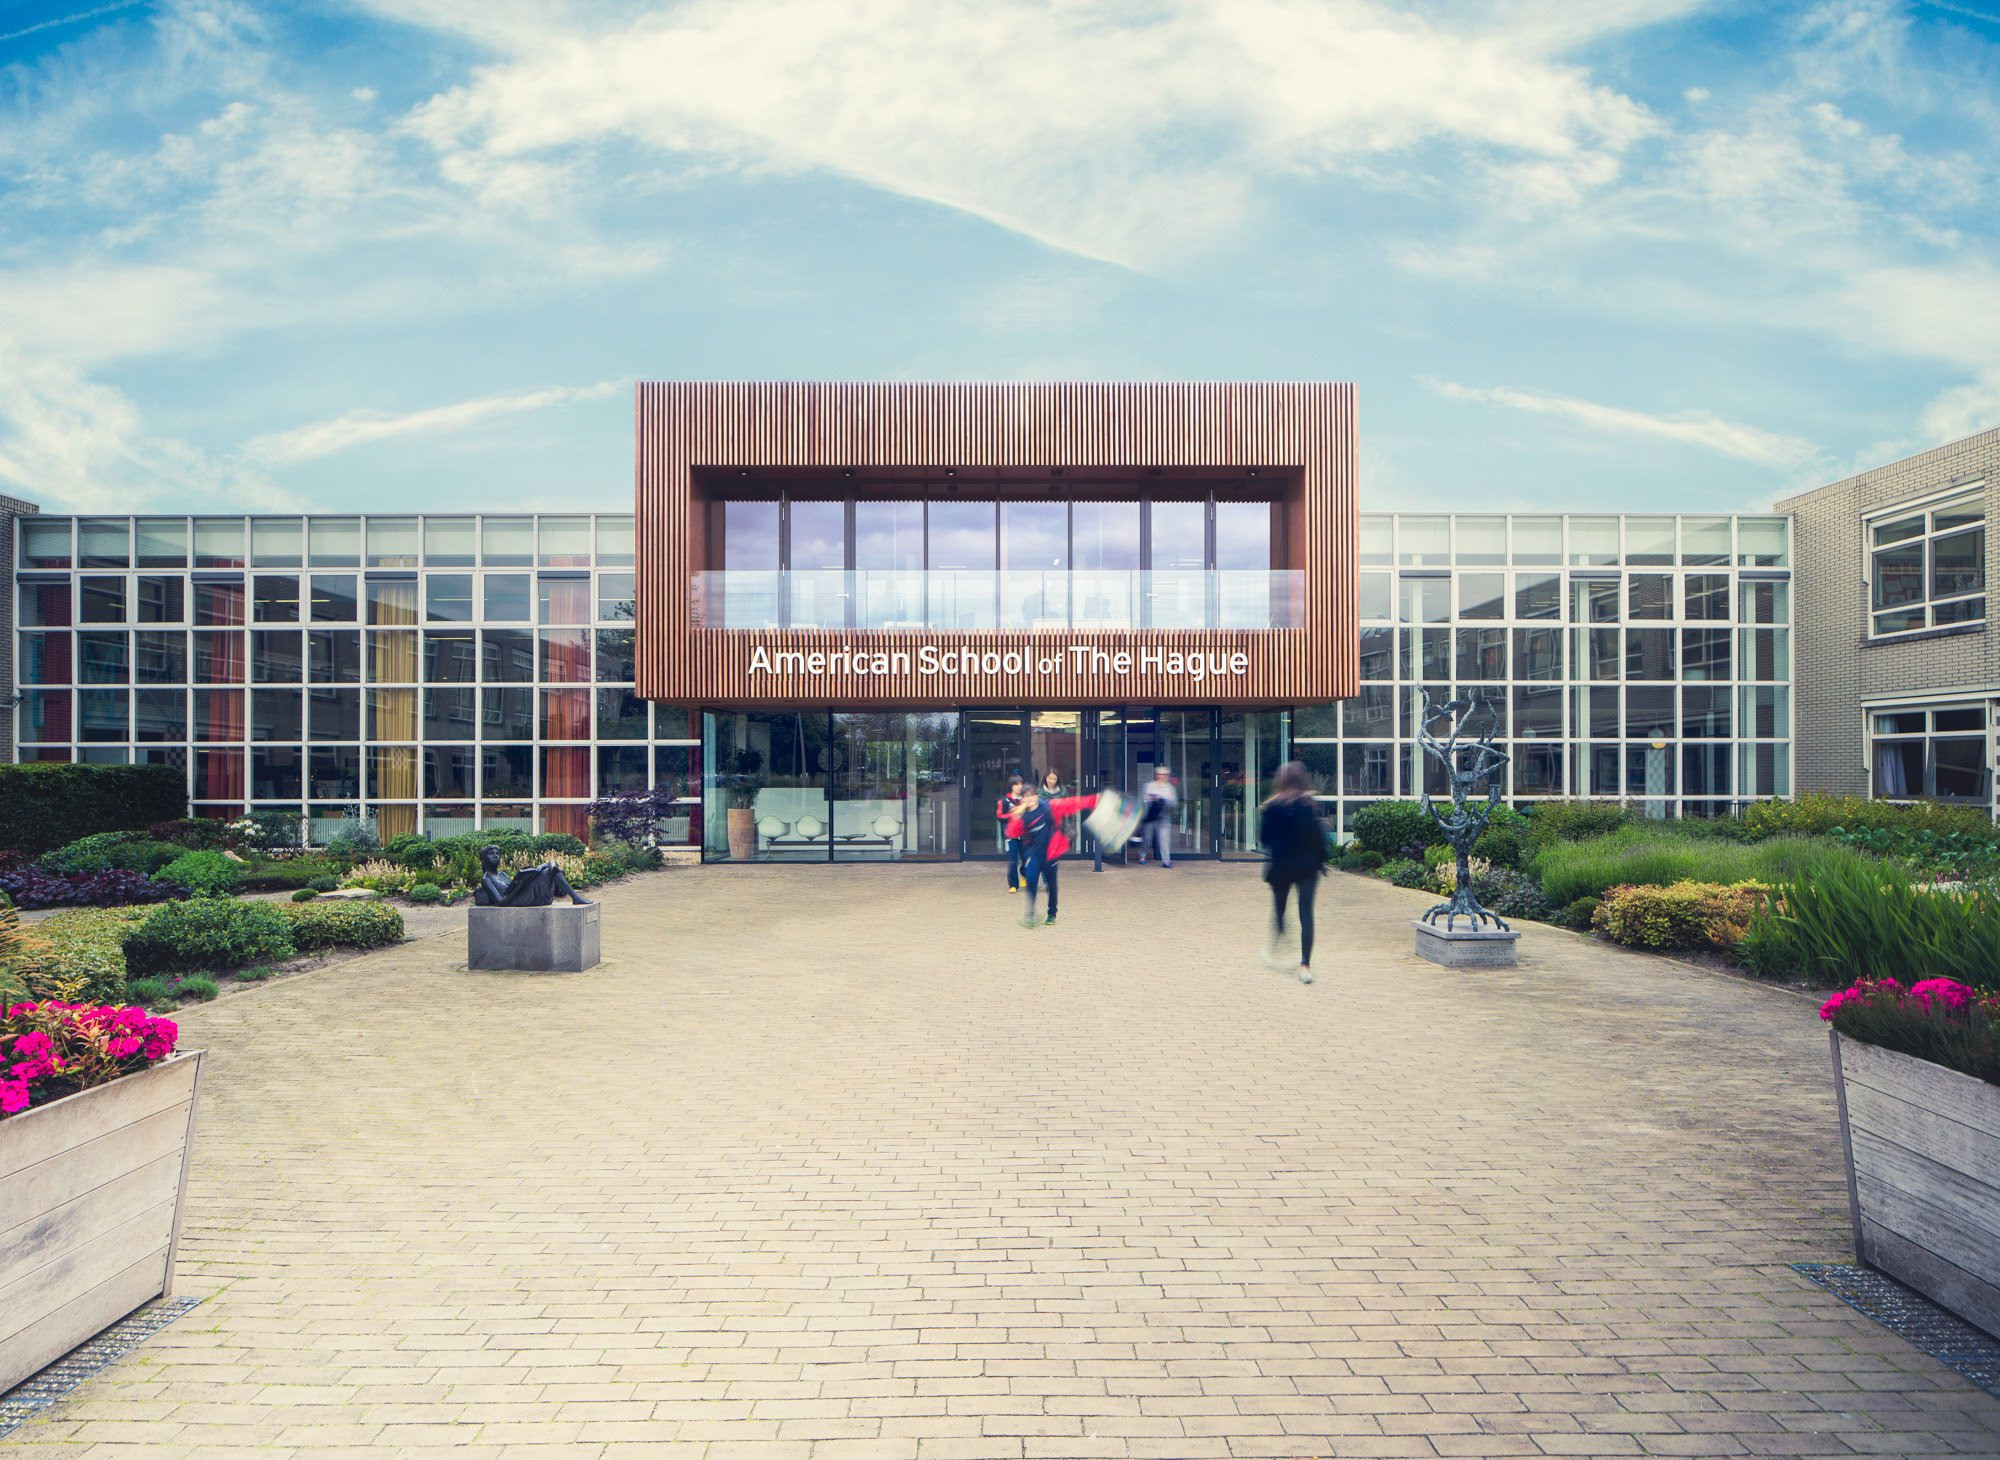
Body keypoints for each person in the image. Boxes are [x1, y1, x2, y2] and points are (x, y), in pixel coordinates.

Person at [1257, 761, 1327, 984]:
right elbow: (1317, 837)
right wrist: (1322, 860)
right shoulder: (1309, 804)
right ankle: (1305, 965)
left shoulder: (1273, 807)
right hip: (1307, 866)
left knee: (1279, 907)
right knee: (1306, 914)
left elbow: (1265, 839)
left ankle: (1279, 936)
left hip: (1282, 865)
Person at [1007, 784, 1101, 927]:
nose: (1029, 799)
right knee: (1031, 881)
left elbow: (1071, 804)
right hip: (1034, 854)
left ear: (1036, 796)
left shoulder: (1049, 807)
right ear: (1023, 799)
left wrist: (1093, 800)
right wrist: (1016, 817)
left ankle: (1052, 913)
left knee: (1051, 885)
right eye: (1026, 797)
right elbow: (1012, 833)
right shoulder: (1022, 814)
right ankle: (1031, 914)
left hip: (1051, 853)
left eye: (1031, 795)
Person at [474, 844, 592, 907]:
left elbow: (512, 886)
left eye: (497, 854)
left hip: (525, 895)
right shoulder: (486, 879)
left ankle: (552, 870)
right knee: (548, 870)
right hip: (517, 901)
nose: (495, 856)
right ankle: (574, 897)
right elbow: (500, 902)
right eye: (491, 854)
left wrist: (524, 880)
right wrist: (520, 885)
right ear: (484, 859)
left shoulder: (502, 874)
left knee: (549, 866)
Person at [1136, 764, 1177, 866]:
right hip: (1150, 816)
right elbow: (1142, 800)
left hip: (1163, 816)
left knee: (1164, 838)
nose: (1162, 776)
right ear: (1156, 775)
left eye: (1164, 775)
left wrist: (1163, 800)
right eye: (1160, 774)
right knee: (1147, 838)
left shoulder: (1170, 788)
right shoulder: (1149, 786)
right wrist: (1151, 799)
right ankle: (1142, 857)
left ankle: (1166, 861)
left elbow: (1173, 802)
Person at [996, 774, 1026, 893]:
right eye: (1016, 784)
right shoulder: (1004, 800)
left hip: (1025, 834)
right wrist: (1013, 815)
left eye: (1020, 784)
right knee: (1013, 860)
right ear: (1011, 786)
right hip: (1011, 835)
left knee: (1027, 858)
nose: (1019, 786)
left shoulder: (1026, 799)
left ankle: (1024, 874)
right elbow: (999, 816)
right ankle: (1013, 885)